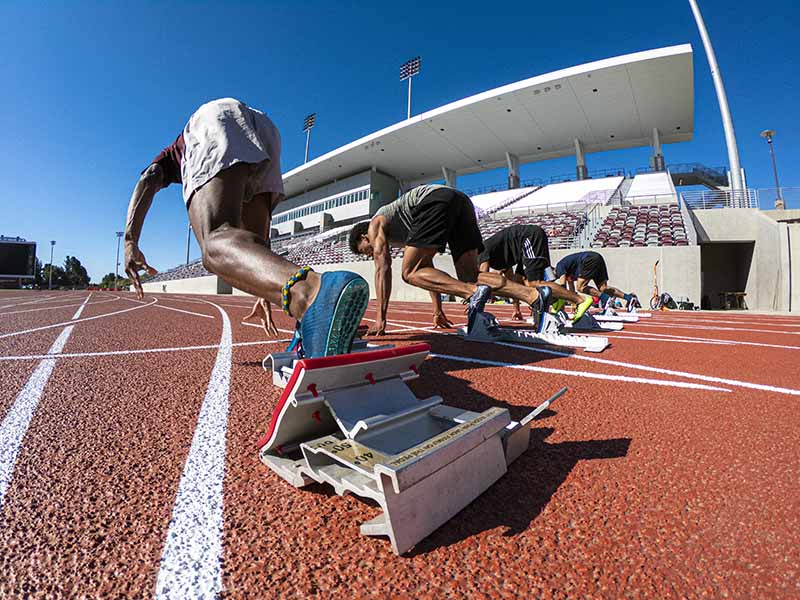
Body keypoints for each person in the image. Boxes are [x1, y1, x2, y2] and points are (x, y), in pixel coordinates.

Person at [123, 98, 369, 358]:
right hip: (265, 129)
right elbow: (256, 245)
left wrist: (130, 241)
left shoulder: (174, 153)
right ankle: (315, 323)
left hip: (215, 118)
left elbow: (149, 177)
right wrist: (265, 291)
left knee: (215, 244)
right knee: (247, 244)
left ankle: (310, 295)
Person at [348, 184, 552, 335]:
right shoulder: (401, 232)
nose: (369, 253)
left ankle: (473, 293)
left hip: (434, 200)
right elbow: (428, 271)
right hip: (461, 202)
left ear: (364, 237)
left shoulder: (375, 224)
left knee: (408, 272)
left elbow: (382, 268)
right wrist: (438, 310)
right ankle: (533, 296)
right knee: (471, 276)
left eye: (364, 250)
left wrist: (380, 320)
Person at [478, 224, 593, 321]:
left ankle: (579, 300)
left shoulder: (481, 251)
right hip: (525, 246)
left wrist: (476, 307)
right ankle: (556, 300)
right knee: (520, 281)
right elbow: (512, 285)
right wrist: (516, 309)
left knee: (535, 283)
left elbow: (483, 282)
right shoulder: (498, 259)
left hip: (529, 238)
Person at [554, 250, 640, 311]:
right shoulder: (567, 272)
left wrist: (561, 305)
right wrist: (574, 304)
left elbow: (563, 288)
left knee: (580, 287)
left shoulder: (559, 267)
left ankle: (606, 299)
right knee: (603, 288)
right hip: (597, 257)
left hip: (588, 259)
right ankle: (629, 298)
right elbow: (571, 291)